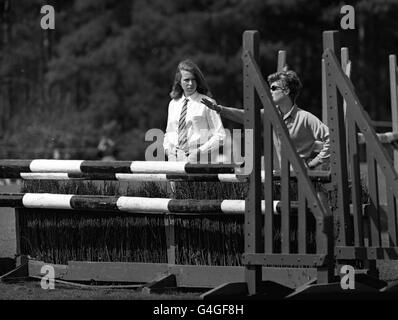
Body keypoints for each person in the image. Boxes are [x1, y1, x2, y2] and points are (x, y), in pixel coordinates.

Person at [201, 70, 330, 170]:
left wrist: (314, 163)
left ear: (286, 91)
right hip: (277, 179)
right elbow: (246, 116)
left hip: (301, 180)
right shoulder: (270, 114)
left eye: (273, 88)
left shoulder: (305, 117)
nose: (270, 91)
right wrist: (220, 109)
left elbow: (333, 139)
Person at [163, 59, 226, 163]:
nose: (191, 83)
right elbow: (169, 132)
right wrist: (167, 150)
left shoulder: (207, 103)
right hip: (174, 159)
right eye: (186, 80)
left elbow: (220, 136)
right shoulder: (173, 104)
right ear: (179, 81)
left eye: (194, 79)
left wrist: (199, 152)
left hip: (200, 159)